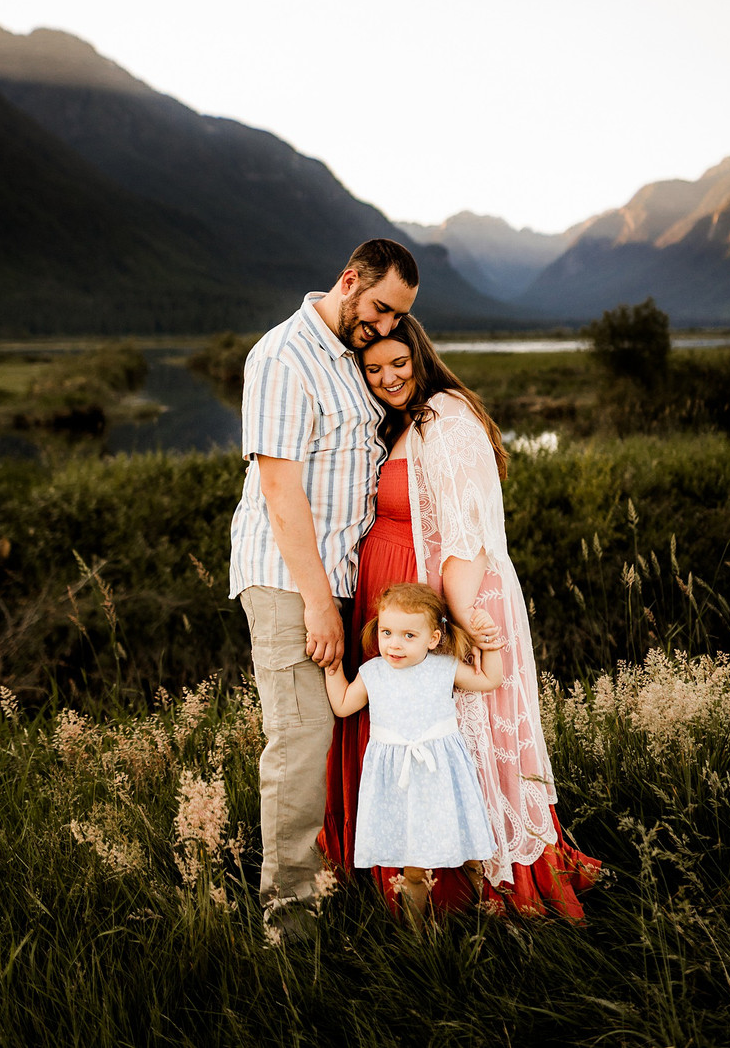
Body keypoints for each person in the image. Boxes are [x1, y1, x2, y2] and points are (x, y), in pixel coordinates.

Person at [321, 315, 600, 916]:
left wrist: (462, 613)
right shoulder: (406, 421)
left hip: (445, 597)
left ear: (421, 357)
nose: (388, 378)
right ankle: (400, 868)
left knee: (453, 730)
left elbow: (466, 531)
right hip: (405, 598)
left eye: (399, 363)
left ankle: (469, 882)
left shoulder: (446, 419)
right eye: (373, 369)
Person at [229, 238, 419, 942]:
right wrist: (316, 603)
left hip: (338, 581)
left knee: (337, 741)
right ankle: (290, 928)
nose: (386, 326)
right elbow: (280, 490)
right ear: (349, 280)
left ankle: (341, 883)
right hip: (289, 582)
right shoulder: (283, 356)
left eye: (397, 318)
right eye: (381, 309)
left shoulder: (349, 358)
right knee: (301, 744)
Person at [324, 582, 504, 924]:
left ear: (432, 639)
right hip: (401, 783)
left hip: (443, 775)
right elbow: (344, 705)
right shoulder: (373, 673)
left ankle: (483, 913)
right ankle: (415, 935)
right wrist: (332, 667)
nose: (395, 643)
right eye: (387, 632)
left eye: (409, 635)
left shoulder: (442, 667)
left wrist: (488, 643)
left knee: (471, 854)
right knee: (414, 868)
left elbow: (489, 680)